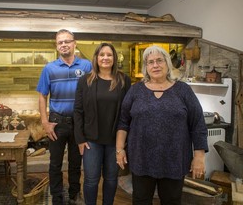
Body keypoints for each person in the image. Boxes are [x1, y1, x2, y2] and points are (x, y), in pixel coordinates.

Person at [116, 45, 208, 205]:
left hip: (174, 159)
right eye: (150, 62)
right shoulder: (135, 91)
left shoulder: (183, 91)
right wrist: (119, 150)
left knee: (172, 201)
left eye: (159, 60)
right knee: (141, 200)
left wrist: (199, 156)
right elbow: (123, 122)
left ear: (167, 64)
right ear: (146, 67)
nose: (155, 65)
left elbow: (198, 124)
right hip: (141, 159)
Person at [36, 29, 92, 205]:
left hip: (79, 123)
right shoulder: (49, 68)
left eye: (67, 41)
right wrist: (45, 122)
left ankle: (75, 195)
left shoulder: (86, 66)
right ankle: (57, 198)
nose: (64, 44)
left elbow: (94, 94)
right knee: (55, 164)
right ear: (56, 46)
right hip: (57, 122)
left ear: (75, 43)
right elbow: (42, 96)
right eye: (60, 42)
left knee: (76, 163)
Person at [74, 43, 131, 205]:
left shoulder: (123, 80)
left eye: (109, 55)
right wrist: (80, 139)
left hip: (115, 140)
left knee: (111, 179)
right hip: (91, 140)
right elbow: (77, 111)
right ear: (96, 58)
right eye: (102, 55)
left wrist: (125, 141)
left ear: (114, 58)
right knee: (91, 180)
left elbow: (127, 112)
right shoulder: (86, 81)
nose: (105, 58)